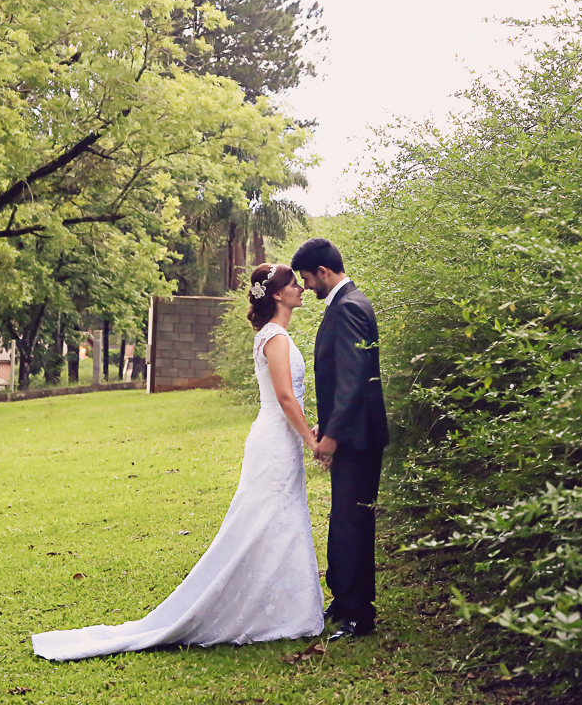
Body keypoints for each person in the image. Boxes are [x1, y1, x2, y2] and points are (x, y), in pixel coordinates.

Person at [32, 264, 324, 660]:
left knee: (280, 521)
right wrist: (311, 439)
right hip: (277, 439)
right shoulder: (275, 339)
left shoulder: (277, 336)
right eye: (293, 285)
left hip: (279, 438)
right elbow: (286, 398)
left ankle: (288, 608)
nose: (300, 289)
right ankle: (266, 610)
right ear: (277, 294)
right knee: (265, 520)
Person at [290, 238, 389, 641]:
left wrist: (331, 436)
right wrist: (326, 425)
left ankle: (358, 615)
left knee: (352, 524)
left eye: (308, 278)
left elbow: (352, 383)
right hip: (354, 433)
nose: (307, 286)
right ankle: (346, 601)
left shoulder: (347, 308)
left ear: (324, 273)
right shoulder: (349, 302)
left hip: (357, 438)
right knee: (347, 520)